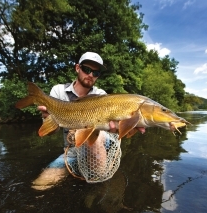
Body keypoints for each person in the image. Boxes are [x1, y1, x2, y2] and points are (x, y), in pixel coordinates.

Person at [32, 52, 144, 190]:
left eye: (96, 73)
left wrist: (122, 129)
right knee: (40, 185)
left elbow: (112, 128)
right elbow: (50, 131)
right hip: (72, 150)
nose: (90, 75)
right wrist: (48, 118)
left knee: (96, 138)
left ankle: (97, 186)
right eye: (87, 69)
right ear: (78, 68)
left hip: (99, 142)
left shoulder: (102, 95)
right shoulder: (58, 91)